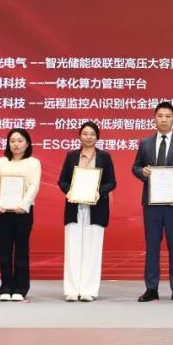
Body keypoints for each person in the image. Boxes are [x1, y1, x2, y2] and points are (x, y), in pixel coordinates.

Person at [132, 101, 173, 302]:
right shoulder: (145, 143)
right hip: (151, 204)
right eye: (160, 116)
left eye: (168, 116)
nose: (163, 119)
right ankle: (151, 288)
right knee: (152, 246)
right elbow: (136, 167)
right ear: (154, 118)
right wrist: (142, 172)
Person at [58, 121, 116, 302]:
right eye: (85, 133)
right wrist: (70, 191)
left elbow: (112, 182)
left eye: (92, 134)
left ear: (97, 137)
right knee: (73, 248)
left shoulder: (104, 157)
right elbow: (62, 181)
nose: (89, 137)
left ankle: (88, 290)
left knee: (92, 249)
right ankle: (72, 289)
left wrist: (99, 192)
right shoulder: (71, 156)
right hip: (74, 207)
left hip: (96, 208)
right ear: (79, 135)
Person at [0, 128, 41, 302]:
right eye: (12, 141)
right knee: (4, 251)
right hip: (2, 211)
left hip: (22, 212)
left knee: (21, 250)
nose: (16, 144)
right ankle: (6, 286)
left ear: (27, 143)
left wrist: (24, 204)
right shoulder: (0, 162)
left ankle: (20, 287)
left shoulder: (33, 163)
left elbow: (34, 186)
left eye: (20, 141)